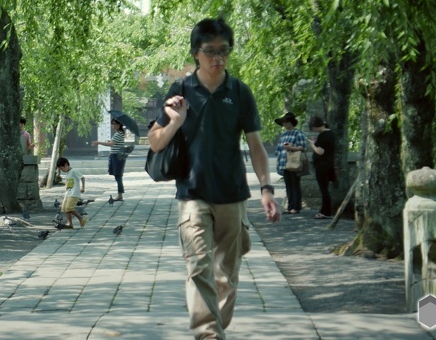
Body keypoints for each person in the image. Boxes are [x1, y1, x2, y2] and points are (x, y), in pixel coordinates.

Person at [148, 17, 280, 340]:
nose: (218, 58)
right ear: (196, 53)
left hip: (233, 195)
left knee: (226, 278)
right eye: (210, 51)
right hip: (193, 196)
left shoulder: (240, 92)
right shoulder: (179, 91)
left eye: (224, 51)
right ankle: (208, 335)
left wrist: (265, 188)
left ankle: (214, 326)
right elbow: (154, 142)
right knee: (198, 269)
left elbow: (256, 145)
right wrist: (176, 121)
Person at [275, 111, 307, 214]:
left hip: (294, 162)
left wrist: (291, 148)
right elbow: (279, 150)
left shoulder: (298, 133)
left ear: (291, 122)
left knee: (295, 184)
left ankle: (296, 207)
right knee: (288, 185)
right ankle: (290, 206)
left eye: (286, 122)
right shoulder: (283, 134)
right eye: (283, 122)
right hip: (284, 163)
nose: (284, 124)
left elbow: (303, 147)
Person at [306, 115, 337, 220]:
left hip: (322, 166)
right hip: (328, 165)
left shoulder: (323, 135)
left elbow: (320, 151)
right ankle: (324, 210)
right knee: (325, 189)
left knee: (324, 190)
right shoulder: (330, 133)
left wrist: (312, 145)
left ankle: (326, 212)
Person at [92, 117, 127, 201]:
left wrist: (98, 142)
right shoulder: (119, 133)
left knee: (118, 175)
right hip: (116, 155)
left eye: (115, 124)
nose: (113, 126)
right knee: (117, 175)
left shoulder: (119, 134)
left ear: (119, 124)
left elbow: (111, 144)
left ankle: (120, 195)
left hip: (117, 156)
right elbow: (113, 143)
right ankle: (120, 194)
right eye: (112, 124)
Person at [55, 157, 87, 228]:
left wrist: (83, 188)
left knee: (69, 208)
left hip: (74, 193)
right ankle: (69, 223)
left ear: (66, 165)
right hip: (68, 193)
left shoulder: (74, 171)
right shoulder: (68, 173)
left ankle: (81, 218)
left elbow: (82, 177)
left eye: (61, 168)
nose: (62, 170)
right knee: (64, 208)